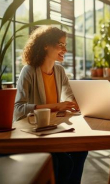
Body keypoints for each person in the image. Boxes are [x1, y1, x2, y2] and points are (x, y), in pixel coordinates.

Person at [14, 26, 88, 184]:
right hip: (36, 133)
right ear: (46, 45)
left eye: (65, 45)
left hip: (54, 129)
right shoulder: (28, 71)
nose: (65, 49)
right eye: (60, 44)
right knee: (64, 162)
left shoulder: (59, 71)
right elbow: (18, 108)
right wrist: (56, 106)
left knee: (81, 149)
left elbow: (69, 96)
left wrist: (78, 102)